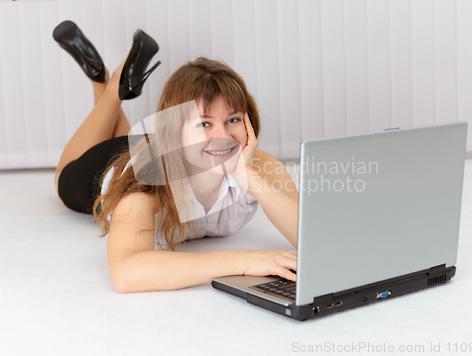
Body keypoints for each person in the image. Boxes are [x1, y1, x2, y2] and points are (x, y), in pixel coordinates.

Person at [53, 21, 299, 293]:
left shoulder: (258, 164)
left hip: (157, 146)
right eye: (204, 124)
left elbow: (314, 236)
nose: (223, 137)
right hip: (101, 165)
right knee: (61, 176)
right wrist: (244, 260)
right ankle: (108, 86)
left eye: (233, 119)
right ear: (174, 132)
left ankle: (108, 79)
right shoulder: (144, 183)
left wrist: (249, 177)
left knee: (131, 141)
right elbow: (126, 273)